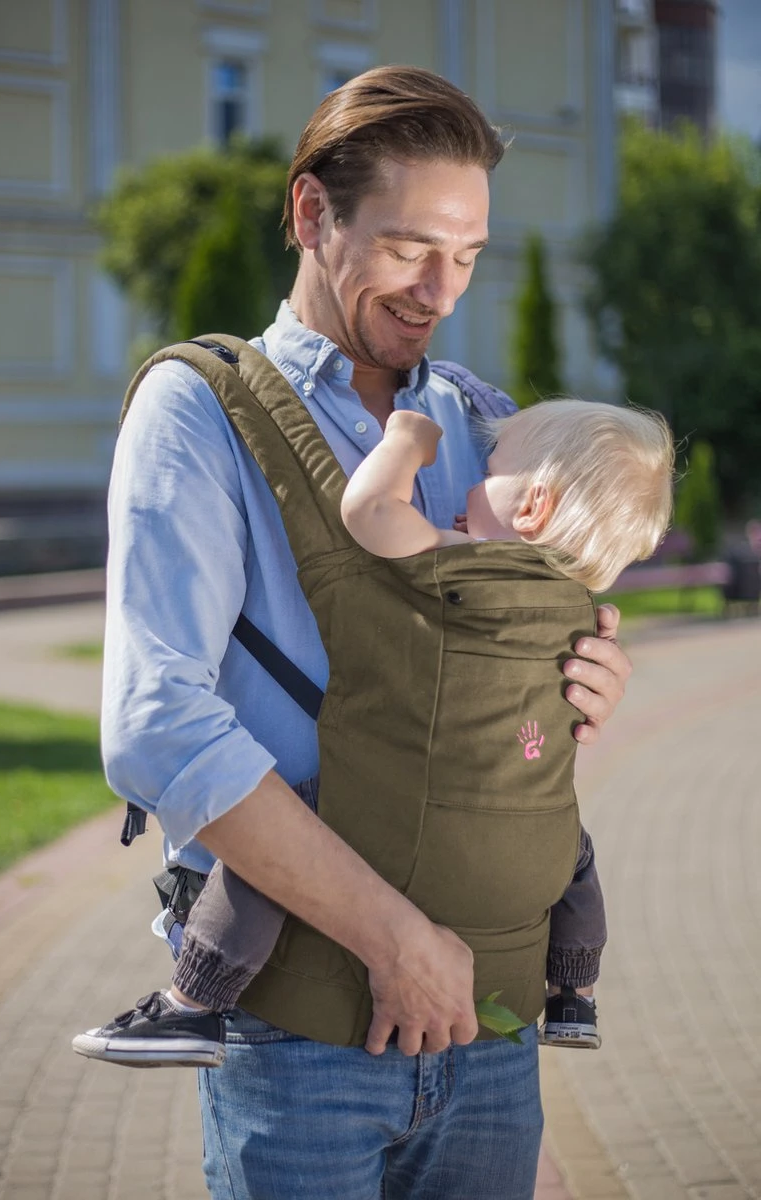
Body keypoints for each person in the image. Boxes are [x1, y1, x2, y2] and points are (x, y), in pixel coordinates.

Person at [86, 66, 634, 1200]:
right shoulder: (201, 409)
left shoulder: (489, 426)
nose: (441, 289)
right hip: (296, 1028)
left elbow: (510, 672)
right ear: (309, 215)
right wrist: (397, 941)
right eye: (408, 248)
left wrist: (581, 677)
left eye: (468, 256)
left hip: (486, 1031)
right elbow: (158, 723)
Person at [73, 396, 672, 1069]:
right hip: (512, 827)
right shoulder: (581, 612)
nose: (469, 480)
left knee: (278, 838)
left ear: (530, 509)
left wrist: (407, 442)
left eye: (489, 469)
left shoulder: (460, 564)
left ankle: (195, 1002)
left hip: (398, 798)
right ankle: (574, 995)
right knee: (575, 856)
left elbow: (370, 512)